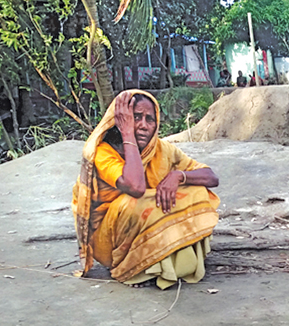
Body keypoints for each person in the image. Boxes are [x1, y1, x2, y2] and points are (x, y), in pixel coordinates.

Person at [72, 90, 220, 289]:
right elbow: (135, 187)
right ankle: (131, 269)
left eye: (149, 119)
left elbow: (211, 177)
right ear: (121, 120)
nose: (143, 125)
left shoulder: (161, 149)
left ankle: (172, 262)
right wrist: (127, 134)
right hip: (109, 241)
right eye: (135, 118)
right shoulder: (103, 153)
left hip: (146, 224)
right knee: (135, 203)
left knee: (197, 192)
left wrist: (179, 176)